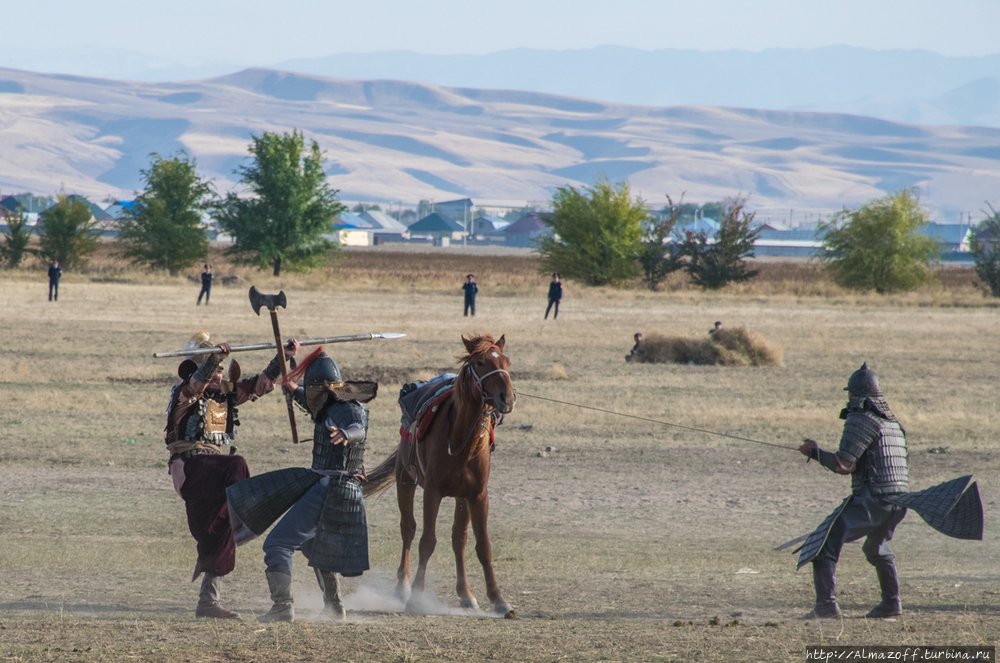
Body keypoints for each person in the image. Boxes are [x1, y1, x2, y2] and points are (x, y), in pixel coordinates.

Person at [165, 331, 299, 619]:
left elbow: (261, 384)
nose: (217, 375)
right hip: (190, 468)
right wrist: (213, 359)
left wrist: (283, 355)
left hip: (214, 475)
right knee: (236, 465)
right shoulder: (184, 394)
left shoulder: (225, 395)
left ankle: (208, 602)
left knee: (217, 536)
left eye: (221, 369)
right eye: (213, 368)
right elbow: (197, 384)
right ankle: (248, 516)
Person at [256, 349, 378, 623]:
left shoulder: (346, 408)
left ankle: (282, 607)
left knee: (277, 544)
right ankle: (334, 606)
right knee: (312, 545)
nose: (308, 395)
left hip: (330, 487)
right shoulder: (329, 401)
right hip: (338, 487)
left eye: (310, 389)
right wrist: (289, 373)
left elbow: (357, 427)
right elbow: (305, 396)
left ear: (322, 389)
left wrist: (347, 435)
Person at [796, 363, 907, 619]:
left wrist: (813, 452)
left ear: (854, 394)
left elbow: (843, 464)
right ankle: (891, 603)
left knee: (822, 544)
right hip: (899, 501)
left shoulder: (861, 418)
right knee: (876, 547)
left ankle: (826, 606)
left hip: (873, 499)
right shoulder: (893, 424)